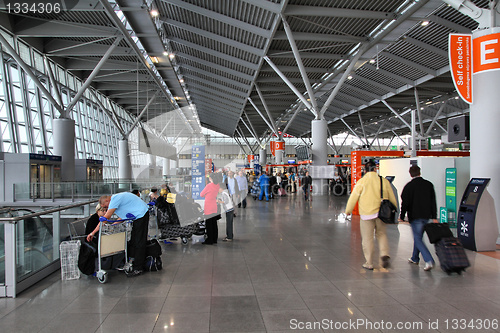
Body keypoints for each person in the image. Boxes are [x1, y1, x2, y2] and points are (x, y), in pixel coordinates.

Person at [345, 160, 398, 270]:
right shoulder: (384, 181)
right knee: (382, 234)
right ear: (375, 169)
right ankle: (384, 254)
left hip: (367, 214)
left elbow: (353, 197)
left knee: (367, 238)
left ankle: (369, 262)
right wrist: (395, 209)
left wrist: (348, 210)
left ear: (365, 170)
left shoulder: (362, 181)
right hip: (382, 214)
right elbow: (392, 198)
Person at [99, 192, 149, 277]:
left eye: (105, 206)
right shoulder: (118, 198)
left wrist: (94, 232)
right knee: (134, 239)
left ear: (107, 200)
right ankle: (133, 262)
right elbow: (122, 218)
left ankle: (139, 267)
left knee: (139, 241)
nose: (106, 209)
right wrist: (113, 225)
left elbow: (105, 218)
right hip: (140, 215)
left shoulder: (114, 200)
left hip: (141, 215)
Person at [400, 165, 437, 271]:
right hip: (427, 216)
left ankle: (429, 260)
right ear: (420, 172)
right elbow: (433, 201)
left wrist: (402, 216)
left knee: (417, 238)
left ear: (410, 174)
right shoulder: (429, 184)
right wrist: (434, 216)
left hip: (415, 217)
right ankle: (415, 258)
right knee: (418, 237)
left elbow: (405, 203)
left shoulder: (408, 186)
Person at [200, 172, 221, 244]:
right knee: (214, 223)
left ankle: (210, 240)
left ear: (210, 178)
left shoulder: (209, 186)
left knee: (209, 224)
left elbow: (201, 194)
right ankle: (215, 239)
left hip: (208, 207)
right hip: (215, 206)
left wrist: (206, 195)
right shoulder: (217, 185)